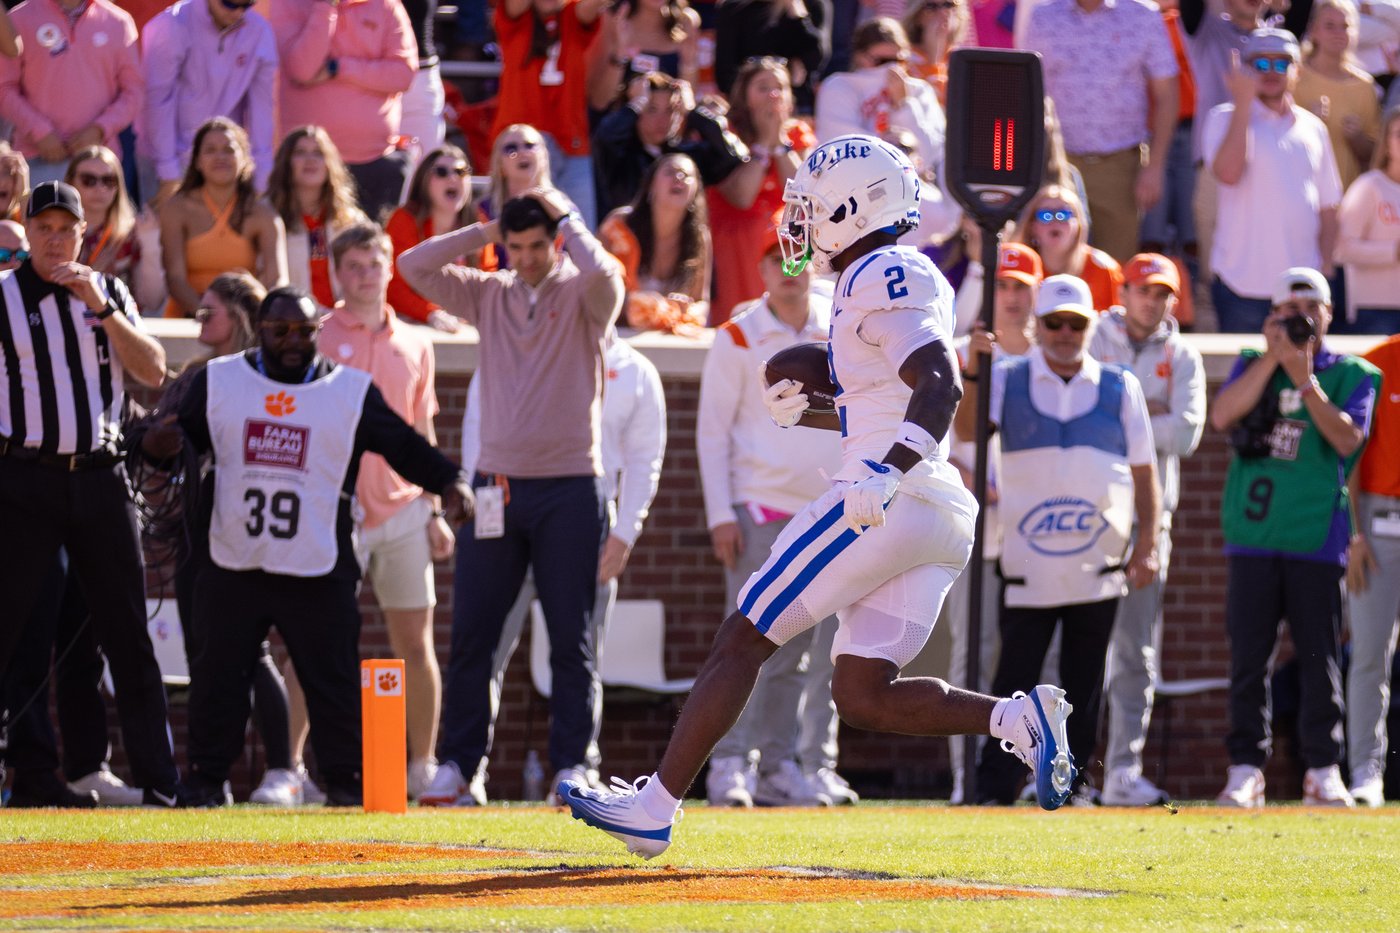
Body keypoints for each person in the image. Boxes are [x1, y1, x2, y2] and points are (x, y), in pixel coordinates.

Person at [559, 135, 1076, 860]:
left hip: (887, 498)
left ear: (852, 206)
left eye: (808, 205)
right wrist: (814, 408)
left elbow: (939, 382)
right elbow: (888, 393)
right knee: (862, 692)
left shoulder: (883, 272)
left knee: (744, 634)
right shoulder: (877, 276)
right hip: (929, 508)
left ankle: (653, 807)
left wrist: (886, 469)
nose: (797, 220)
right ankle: (1017, 719)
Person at [141, 286, 473, 806]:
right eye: (280, 331)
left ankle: (345, 783)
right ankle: (206, 779)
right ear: (262, 328)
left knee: (332, 680)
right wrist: (154, 446)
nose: (293, 341)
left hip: (317, 558)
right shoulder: (219, 380)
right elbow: (164, 439)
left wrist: (450, 481)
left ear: (318, 331)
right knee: (217, 676)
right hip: (234, 556)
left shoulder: (350, 391)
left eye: (303, 331)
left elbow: (403, 445)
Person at [398, 187, 624, 806]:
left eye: (535, 245)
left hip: (572, 486)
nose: (524, 257)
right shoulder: (487, 291)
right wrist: (487, 230)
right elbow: (410, 267)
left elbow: (609, 278)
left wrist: (569, 219)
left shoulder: (580, 290)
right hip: (495, 485)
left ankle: (574, 767)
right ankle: (458, 769)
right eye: (514, 246)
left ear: (554, 243)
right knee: (473, 633)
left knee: (572, 637)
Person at [0, 181, 182, 807]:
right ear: (25, 231)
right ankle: (31, 776)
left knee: (127, 630)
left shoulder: (111, 292)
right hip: (24, 477)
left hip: (101, 477)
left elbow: (155, 371)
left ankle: (160, 782)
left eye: (66, 228)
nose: (55, 239)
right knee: (12, 629)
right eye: (43, 227)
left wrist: (102, 309)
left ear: (84, 233)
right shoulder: (2, 295)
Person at [957, 273, 1160, 805]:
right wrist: (975, 372)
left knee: (1086, 680)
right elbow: (966, 434)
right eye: (1054, 323)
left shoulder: (1122, 386)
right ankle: (994, 785)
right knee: (1013, 676)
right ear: (1038, 326)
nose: (1065, 333)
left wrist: (1149, 543)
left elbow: (1146, 472)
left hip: (1099, 562)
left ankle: (1078, 785)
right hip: (1027, 564)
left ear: (1091, 326)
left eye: (1076, 323)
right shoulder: (1004, 377)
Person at [284, 223, 453, 802]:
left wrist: (434, 508)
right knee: (312, 641)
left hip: (405, 511)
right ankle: (290, 769)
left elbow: (422, 429)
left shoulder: (417, 343)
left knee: (416, 640)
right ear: (335, 273)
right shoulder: (316, 335)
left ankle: (423, 767)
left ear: (388, 269)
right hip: (331, 512)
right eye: (351, 266)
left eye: (372, 264)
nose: (363, 276)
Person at [464, 327, 666, 800]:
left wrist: (624, 532)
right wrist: (484, 516)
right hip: (510, 521)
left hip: (586, 524)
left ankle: (574, 767)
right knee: (483, 648)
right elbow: (476, 437)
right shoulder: (512, 350)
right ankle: (464, 766)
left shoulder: (636, 370)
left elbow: (644, 459)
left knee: (577, 651)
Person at [1210, 267, 1379, 807]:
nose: (1301, 319)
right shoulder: (1250, 362)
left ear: (1329, 315)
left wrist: (1304, 377)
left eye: (1311, 309)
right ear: (1272, 315)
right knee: (1248, 657)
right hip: (1253, 534)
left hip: (1316, 536)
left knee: (1318, 657)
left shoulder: (1353, 373)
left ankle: (1323, 767)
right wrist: (1273, 359)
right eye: (1289, 310)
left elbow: (1348, 438)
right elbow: (1223, 416)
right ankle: (1244, 766)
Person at [696, 228, 850, 808]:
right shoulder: (736, 335)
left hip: (827, 509)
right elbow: (712, 431)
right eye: (775, 258)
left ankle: (779, 763)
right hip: (757, 507)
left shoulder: (839, 327)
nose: (788, 268)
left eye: (798, 258)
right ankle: (731, 763)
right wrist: (720, 514)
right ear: (759, 270)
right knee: (747, 639)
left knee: (804, 646)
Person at [1088, 254, 1206, 806]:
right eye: (1142, 291)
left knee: (1136, 652)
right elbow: (1081, 415)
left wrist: (1124, 415)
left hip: (1150, 518)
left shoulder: (1183, 354)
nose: (1150, 302)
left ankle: (1121, 774)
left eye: (1161, 293)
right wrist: (1146, 413)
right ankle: (1064, 770)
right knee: (1074, 649)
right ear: (1125, 291)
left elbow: (1185, 435)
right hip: (1088, 512)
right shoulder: (1091, 335)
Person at [943, 240, 1041, 801]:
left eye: (1020, 287)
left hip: (1033, 528)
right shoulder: (960, 353)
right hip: (974, 524)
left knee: (1035, 652)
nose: (1010, 297)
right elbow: (948, 437)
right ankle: (966, 778)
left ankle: (1037, 773)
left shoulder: (1050, 354)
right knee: (971, 650)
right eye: (1002, 285)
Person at [1205, 29, 1343, 332]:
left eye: (1281, 64)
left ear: (1297, 71)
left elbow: (1328, 206)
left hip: (1301, 292)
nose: (1271, 72)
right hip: (1241, 287)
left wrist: (1326, 266)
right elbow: (1229, 173)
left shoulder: (1314, 128)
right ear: (1245, 69)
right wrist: (1242, 104)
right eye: (1260, 64)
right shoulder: (1222, 117)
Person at [1025, 0, 1179, 263]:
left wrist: (1154, 167)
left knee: (1115, 268)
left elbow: (1167, 94)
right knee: (1052, 264)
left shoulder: (1143, 16)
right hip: (1056, 167)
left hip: (1120, 168)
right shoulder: (1043, 17)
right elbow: (1027, 91)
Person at [271, 0, 418, 222]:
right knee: (305, 248)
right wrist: (325, 7)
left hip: (373, 160)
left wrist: (339, 67)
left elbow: (403, 75)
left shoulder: (387, 6)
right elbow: (301, 69)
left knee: (371, 251)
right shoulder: (286, 4)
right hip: (304, 162)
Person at [814, 18, 959, 243]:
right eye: (882, 61)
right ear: (860, 57)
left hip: (909, 195)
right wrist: (891, 146)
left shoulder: (919, 92)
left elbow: (931, 154)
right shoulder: (840, 86)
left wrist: (904, 106)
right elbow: (839, 148)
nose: (891, 69)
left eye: (898, 60)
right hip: (853, 197)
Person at [705, 58, 815, 325]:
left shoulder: (799, 135)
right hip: (734, 245)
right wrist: (764, 143)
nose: (773, 94)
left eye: (780, 87)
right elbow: (741, 197)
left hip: (780, 246)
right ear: (744, 96)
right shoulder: (725, 133)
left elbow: (800, 194)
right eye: (763, 87)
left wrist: (779, 143)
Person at [139, 0, 279, 201]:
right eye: (230, 4)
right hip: (165, 158)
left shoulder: (259, 31)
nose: (239, 11)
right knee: (160, 232)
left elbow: (263, 110)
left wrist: (262, 178)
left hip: (223, 160)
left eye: (247, 5)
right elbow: (157, 101)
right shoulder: (171, 24)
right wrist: (167, 172)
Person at [491, 0, 609, 230]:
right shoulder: (515, 16)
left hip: (572, 145)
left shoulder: (573, 15)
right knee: (513, 233)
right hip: (519, 145)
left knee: (580, 234)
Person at [1345, 330, 1400, 807]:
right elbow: (1353, 457)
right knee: (1370, 654)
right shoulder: (1377, 363)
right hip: (1381, 522)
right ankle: (1366, 769)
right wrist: (1355, 535)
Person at [0, 0, 142, 186]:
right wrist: (39, 131)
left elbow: (134, 92)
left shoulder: (118, 21)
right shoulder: (18, 19)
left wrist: (100, 129)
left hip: (100, 166)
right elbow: (4, 87)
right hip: (37, 159)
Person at [160, 118, 287, 318]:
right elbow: (175, 279)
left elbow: (278, 280)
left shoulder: (264, 214)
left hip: (244, 318)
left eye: (229, 150)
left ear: (245, 158)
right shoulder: (176, 209)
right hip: (190, 318)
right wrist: (207, 315)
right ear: (197, 161)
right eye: (210, 150)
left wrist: (252, 312)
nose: (220, 157)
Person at [590, 72, 747, 220]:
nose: (663, 119)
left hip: (680, 244)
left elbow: (732, 156)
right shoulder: (619, 154)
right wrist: (637, 103)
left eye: (670, 110)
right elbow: (604, 137)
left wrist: (692, 112)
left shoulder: (685, 156)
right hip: (626, 243)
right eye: (652, 109)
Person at [598, 153, 712, 333]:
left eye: (686, 175)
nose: (679, 177)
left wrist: (686, 310)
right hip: (617, 335)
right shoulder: (618, 225)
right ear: (651, 185)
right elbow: (596, 291)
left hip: (671, 343)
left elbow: (702, 302)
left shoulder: (700, 237)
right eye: (670, 172)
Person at [266, 126, 368, 312]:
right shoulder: (267, 216)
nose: (310, 159)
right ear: (286, 163)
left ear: (330, 164)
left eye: (318, 153)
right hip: (292, 321)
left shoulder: (352, 221)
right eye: (300, 152)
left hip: (344, 321)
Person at [386, 145, 476, 331]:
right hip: (411, 323)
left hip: (465, 327)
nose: (453, 178)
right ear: (424, 181)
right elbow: (394, 287)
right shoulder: (404, 221)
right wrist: (430, 313)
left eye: (461, 171)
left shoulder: (477, 223)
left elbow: (488, 277)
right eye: (441, 172)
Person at [64, 146, 165, 313]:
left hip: (118, 325)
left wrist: (150, 243)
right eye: (89, 180)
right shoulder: (54, 230)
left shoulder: (134, 233)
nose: (100, 188)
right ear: (70, 182)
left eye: (108, 181)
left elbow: (152, 300)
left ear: (118, 186)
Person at [1296, 0, 1379, 192]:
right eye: (1329, 26)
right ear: (1314, 30)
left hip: (1346, 200)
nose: (1338, 33)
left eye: (1346, 26)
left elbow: (1374, 154)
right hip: (1301, 195)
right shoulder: (1294, 76)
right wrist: (1306, 123)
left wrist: (1358, 138)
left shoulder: (1365, 86)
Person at [1334, 104, 1400, 333]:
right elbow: (1342, 249)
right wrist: (1393, 251)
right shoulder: (1369, 187)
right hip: (1375, 310)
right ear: (1386, 143)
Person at [1013, 184, 1123, 312]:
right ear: (1032, 227)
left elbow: (1117, 323)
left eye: (1063, 214)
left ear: (1078, 225)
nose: (1055, 221)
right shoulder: (1017, 266)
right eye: (1045, 215)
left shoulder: (1103, 268)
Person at [714, 0, 829, 113]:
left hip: (795, 106)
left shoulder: (812, 5)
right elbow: (725, 74)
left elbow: (815, 59)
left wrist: (797, 15)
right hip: (747, 109)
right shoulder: (734, 8)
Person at [588, 0, 702, 110]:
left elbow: (688, 103)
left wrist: (688, 64)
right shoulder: (612, 18)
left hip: (666, 127)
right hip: (615, 124)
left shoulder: (685, 22)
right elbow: (599, 102)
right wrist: (620, 55)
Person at [478, 124, 553, 272]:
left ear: (544, 157)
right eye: (511, 149)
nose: (522, 152)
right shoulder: (483, 210)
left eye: (530, 146)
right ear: (500, 164)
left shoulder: (561, 207)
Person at [901, 0, 969, 104]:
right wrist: (933, 61)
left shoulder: (963, 59)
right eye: (931, 6)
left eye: (948, 4)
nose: (943, 12)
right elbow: (926, 108)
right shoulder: (903, 58)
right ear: (917, 15)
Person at [1, 144, 30, 221]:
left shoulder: (19, 217)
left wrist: (23, 193)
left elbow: (29, 231)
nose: (2, 182)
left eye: (7, 172)